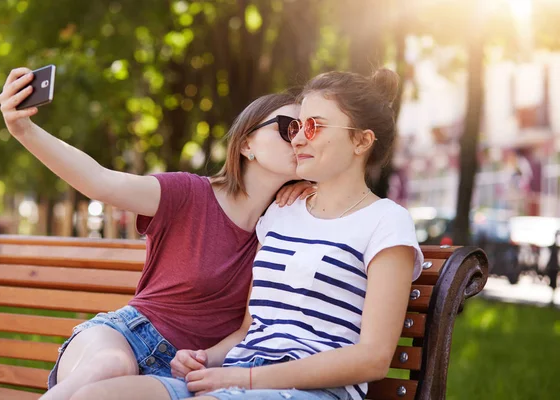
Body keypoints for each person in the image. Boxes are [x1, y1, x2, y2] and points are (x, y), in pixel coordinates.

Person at [63, 69, 424, 400]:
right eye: (295, 128)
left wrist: (247, 380)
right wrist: (205, 358)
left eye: (314, 126)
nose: (298, 138)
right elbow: (248, 330)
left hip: (311, 392)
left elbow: (374, 359)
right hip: (238, 378)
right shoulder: (280, 215)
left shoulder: (386, 222)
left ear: (361, 142)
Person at [0, 68, 314, 400]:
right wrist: (24, 130)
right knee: (110, 367)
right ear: (247, 143)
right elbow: (99, 182)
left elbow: (245, 330)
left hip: (181, 374)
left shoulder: (285, 227)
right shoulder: (187, 193)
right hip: (126, 337)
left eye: (308, 130)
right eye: (287, 128)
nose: (300, 139)